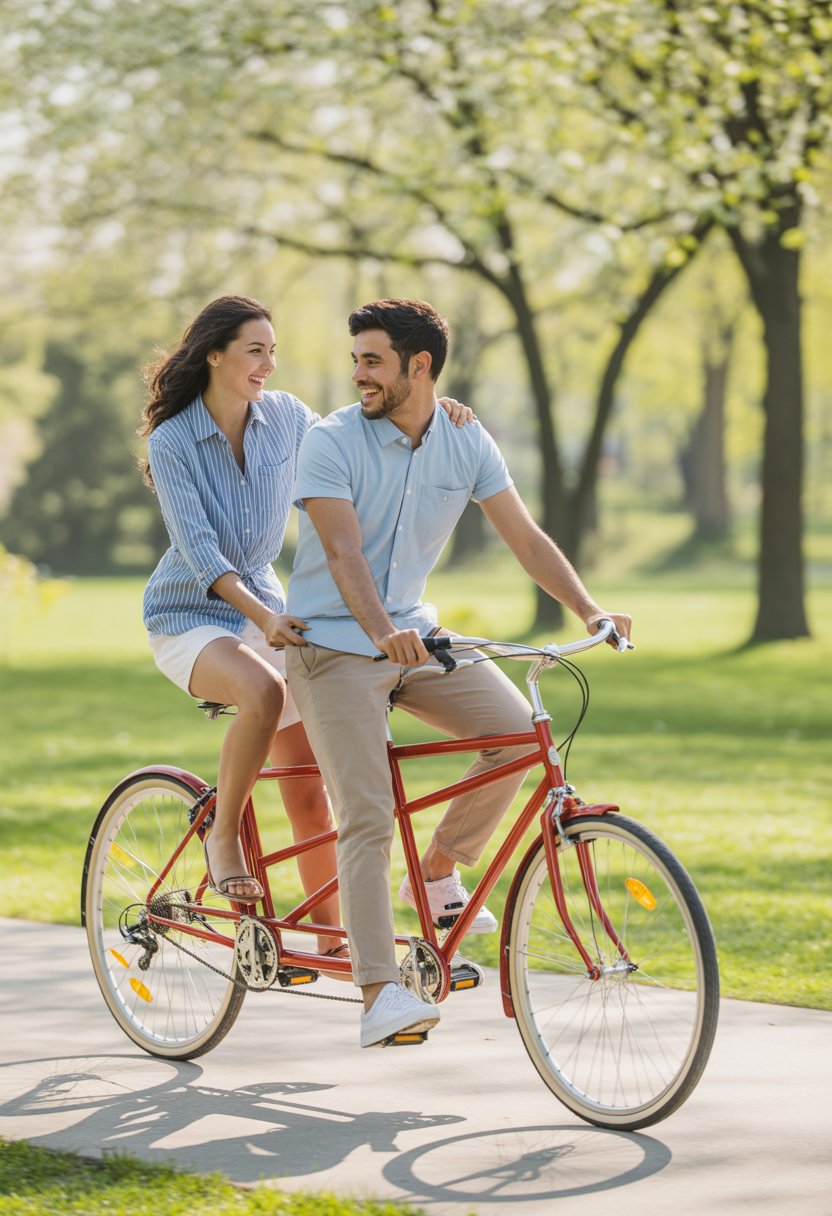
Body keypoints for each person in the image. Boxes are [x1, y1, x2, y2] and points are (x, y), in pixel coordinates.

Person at [285, 297, 632, 1047]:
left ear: (421, 367)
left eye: (372, 361)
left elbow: (527, 539)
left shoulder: (468, 442)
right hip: (334, 649)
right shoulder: (330, 441)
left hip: (416, 637)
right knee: (370, 813)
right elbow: (343, 554)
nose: (358, 376)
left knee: (517, 734)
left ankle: (437, 870)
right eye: (355, 361)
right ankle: (380, 993)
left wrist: (589, 610)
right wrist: (380, 632)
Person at [139, 294, 471, 962]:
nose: (268, 363)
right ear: (215, 354)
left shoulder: (287, 417)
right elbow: (201, 552)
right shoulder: (172, 438)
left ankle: (334, 944)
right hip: (191, 614)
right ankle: (224, 832)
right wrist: (263, 617)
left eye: (272, 350)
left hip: (271, 606)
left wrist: (433, 412)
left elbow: (359, 435)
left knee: (310, 792)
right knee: (262, 692)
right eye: (254, 350)